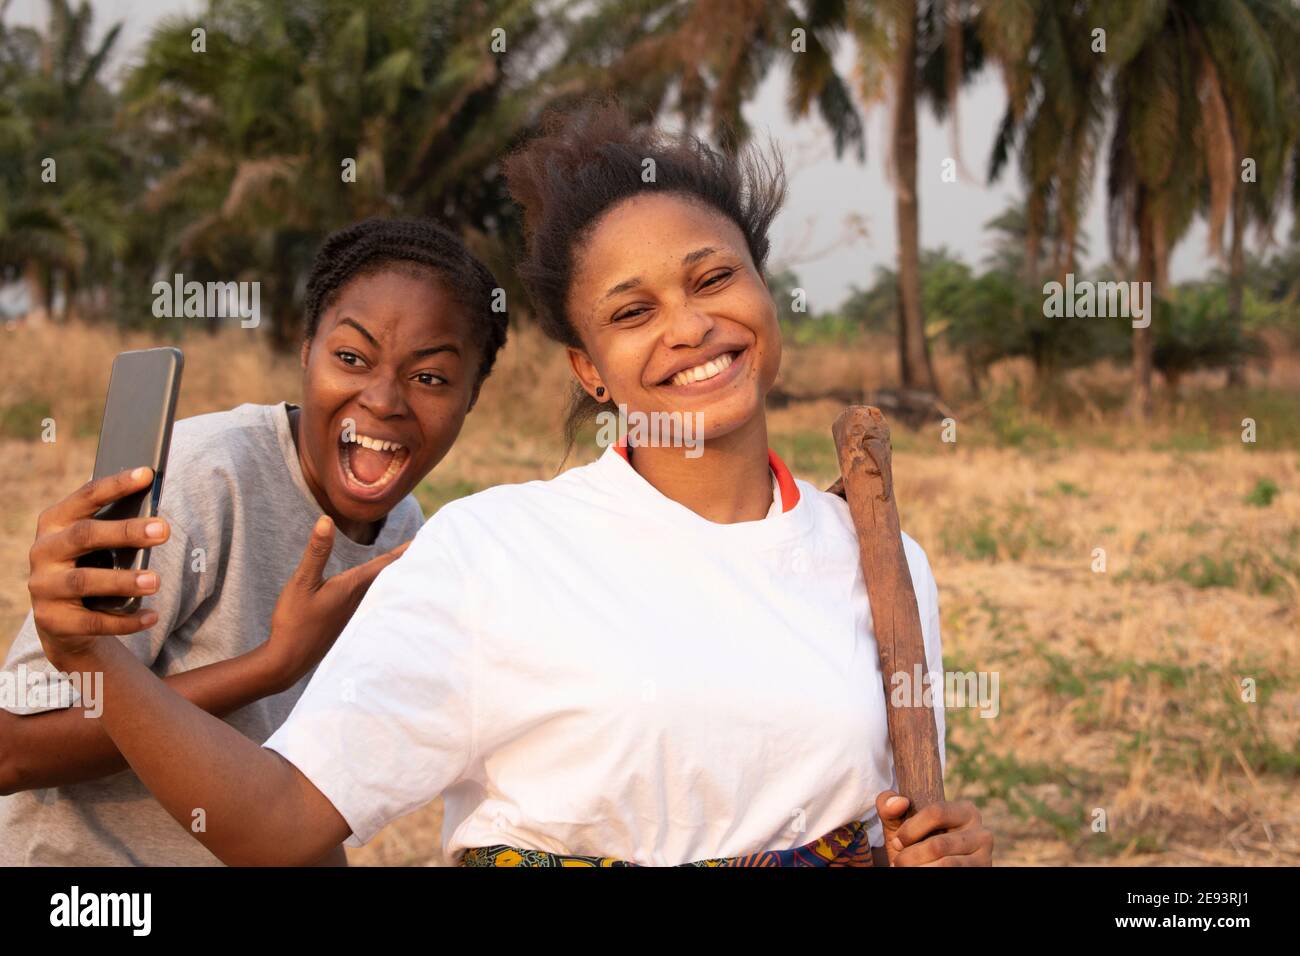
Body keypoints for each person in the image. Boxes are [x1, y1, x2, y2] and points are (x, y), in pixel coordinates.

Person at [32, 104, 992, 867]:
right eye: (633, 310)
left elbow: (898, 818)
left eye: (713, 280)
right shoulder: (492, 553)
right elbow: (280, 823)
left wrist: (939, 851)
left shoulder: (883, 563)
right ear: (588, 368)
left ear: (762, 290)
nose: (691, 326)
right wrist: (95, 663)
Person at [0, 217, 507, 865]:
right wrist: (270, 667)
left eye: (430, 378)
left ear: (471, 400)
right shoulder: (201, 476)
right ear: (305, 352)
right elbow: (13, 751)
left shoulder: (407, 534)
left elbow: (303, 785)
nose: (383, 400)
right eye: (351, 358)